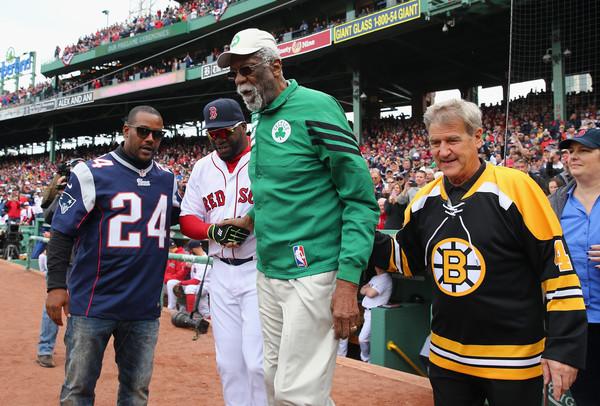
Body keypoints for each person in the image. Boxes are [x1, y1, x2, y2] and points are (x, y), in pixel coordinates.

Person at [216, 28, 379, 405]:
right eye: (236, 74)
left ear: (276, 66)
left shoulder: (317, 107)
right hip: (269, 269)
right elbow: (286, 186)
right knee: (274, 382)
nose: (241, 81)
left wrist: (348, 282)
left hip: (313, 271)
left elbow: (360, 199)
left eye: (249, 70)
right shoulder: (262, 118)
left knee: (298, 393)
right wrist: (251, 219)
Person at [394, 99, 587, 405]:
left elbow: (557, 270)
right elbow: (404, 260)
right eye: (435, 142)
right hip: (446, 358)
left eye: (453, 140)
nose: (443, 151)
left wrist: (563, 346)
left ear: (479, 137)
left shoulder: (517, 187)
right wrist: (350, 228)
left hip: (513, 360)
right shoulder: (423, 199)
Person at [45, 105, 180, 405]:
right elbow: (62, 232)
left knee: (136, 392)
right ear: (126, 130)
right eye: (143, 131)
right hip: (94, 302)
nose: (150, 140)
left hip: (143, 308)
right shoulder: (91, 172)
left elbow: (186, 219)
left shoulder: (168, 179)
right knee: (78, 390)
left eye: (157, 135)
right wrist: (56, 286)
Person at [179, 98, 266, 406]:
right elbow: (188, 218)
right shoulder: (203, 167)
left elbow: (282, 197)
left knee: (258, 364)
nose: (219, 139)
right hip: (221, 272)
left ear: (243, 127)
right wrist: (212, 231)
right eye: (213, 134)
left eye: (226, 132)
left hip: (259, 270)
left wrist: (250, 221)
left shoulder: (264, 155)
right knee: (228, 364)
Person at [549, 128, 600, 406]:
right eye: (571, 151)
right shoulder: (554, 205)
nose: (573, 157)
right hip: (573, 324)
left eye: (585, 151)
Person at [358, 233, 394, 363]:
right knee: (368, 338)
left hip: (376, 313)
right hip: (367, 312)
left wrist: (367, 289)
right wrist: (367, 289)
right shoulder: (375, 278)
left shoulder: (386, 279)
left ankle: (367, 359)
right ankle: (368, 360)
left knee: (363, 338)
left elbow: (370, 293)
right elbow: (362, 290)